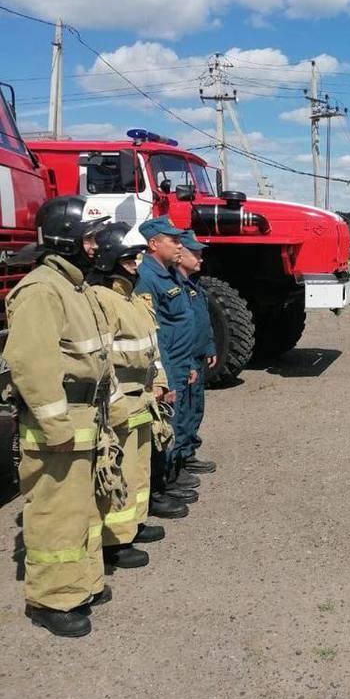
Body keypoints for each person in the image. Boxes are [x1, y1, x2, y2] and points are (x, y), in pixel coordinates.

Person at [4, 197, 113, 637]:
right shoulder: (42, 290)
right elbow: (30, 362)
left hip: (83, 417)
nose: (94, 246)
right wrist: (54, 425)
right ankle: (51, 599)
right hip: (60, 425)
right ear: (66, 239)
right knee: (54, 512)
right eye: (88, 237)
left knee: (80, 509)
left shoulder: (73, 287)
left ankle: (80, 584)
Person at [88, 223, 172, 559]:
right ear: (111, 261)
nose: (136, 265)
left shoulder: (132, 298)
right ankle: (114, 540)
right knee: (118, 468)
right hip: (122, 395)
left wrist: (160, 382)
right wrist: (114, 402)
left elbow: (152, 346)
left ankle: (133, 524)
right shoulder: (103, 300)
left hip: (143, 396)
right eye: (129, 260)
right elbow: (101, 358)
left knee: (138, 467)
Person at [135, 217, 199, 512]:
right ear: (153, 244)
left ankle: (167, 479)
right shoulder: (146, 278)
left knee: (173, 424)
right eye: (172, 240)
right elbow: (154, 334)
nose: (179, 245)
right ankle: (156, 490)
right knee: (161, 429)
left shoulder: (170, 273)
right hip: (167, 364)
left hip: (182, 361)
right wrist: (166, 378)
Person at [177, 230, 218, 475]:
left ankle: (188, 452)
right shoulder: (174, 285)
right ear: (180, 254)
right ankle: (176, 463)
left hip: (198, 355)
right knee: (181, 413)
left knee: (194, 409)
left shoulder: (194, 284)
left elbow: (202, 319)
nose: (201, 258)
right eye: (195, 253)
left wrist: (209, 345)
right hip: (184, 358)